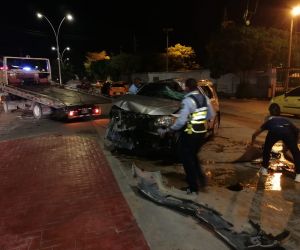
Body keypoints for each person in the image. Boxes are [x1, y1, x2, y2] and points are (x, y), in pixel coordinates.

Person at [158, 78, 209, 194]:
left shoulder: (188, 100)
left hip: (191, 133)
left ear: (186, 87)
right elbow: (211, 114)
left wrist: (169, 130)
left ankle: (193, 188)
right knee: (193, 155)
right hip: (202, 132)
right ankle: (201, 179)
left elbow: (181, 122)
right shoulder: (204, 98)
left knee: (186, 159)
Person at [251, 116, 300, 182]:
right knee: (296, 153)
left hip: (274, 132)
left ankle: (264, 169)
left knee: (267, 148)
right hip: (288, 133)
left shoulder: (268, 122)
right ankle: (298, 176)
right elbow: (297, 131)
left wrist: (252, 143)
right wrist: (295, 144)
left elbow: (255, 134)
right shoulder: (286, 120)